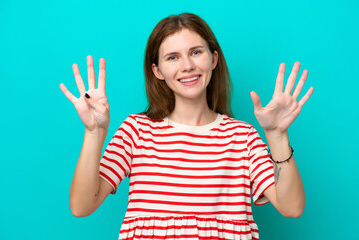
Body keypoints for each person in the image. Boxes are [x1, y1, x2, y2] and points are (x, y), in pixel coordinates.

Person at [59, 13, 314, 240]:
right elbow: (82, 206)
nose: (187, 66)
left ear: (213, 59)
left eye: (196, 52)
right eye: (173, 57)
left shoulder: (242, 136)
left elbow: (292, 207)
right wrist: (94, 133)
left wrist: (277, 135)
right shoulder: (136, 130)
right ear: (157, 71)